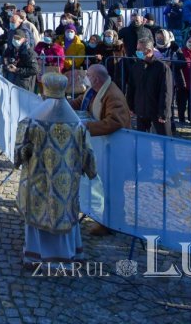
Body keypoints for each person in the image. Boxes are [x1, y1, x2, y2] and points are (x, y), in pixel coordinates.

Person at [15, 73, 97, 263]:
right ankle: (66, 253)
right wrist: (90, 169)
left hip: (38, 180)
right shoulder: (77, 125)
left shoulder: (32, 122)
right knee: (63, 212)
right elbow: (88, 155)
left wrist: (23, 155)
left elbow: (20, 151)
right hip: (66, 184)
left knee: (39, 211)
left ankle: (36, 254)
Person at [72, 63, 131, 138]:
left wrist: (88, 125)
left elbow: (116, 121)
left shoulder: (113, 96)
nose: (85, 78)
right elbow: (79, 102)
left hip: (116, 140)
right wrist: (64, 106)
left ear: (96, 80)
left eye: (88, 75)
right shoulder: (93, 89)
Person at [126, 37, 171, 135]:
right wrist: (130, 106)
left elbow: (166, 91)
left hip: (157, 109)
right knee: (143, 141)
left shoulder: (162, 67)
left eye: (139, 50)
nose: (137, 52)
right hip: (141, 109)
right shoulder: (136, 66)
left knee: (166, 141)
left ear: (149, 51)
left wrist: (164, 112)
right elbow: (131, 87)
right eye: (137, 49)